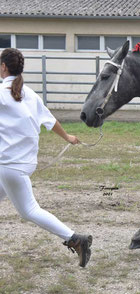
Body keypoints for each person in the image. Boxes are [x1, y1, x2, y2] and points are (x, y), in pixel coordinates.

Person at [0, 48, 92, 267]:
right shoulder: (30, 94)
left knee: (29, 211)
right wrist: (68, 137)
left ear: (3, 67)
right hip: (22, 163)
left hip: (9, 165)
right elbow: (51, 122)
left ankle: (75, 239)